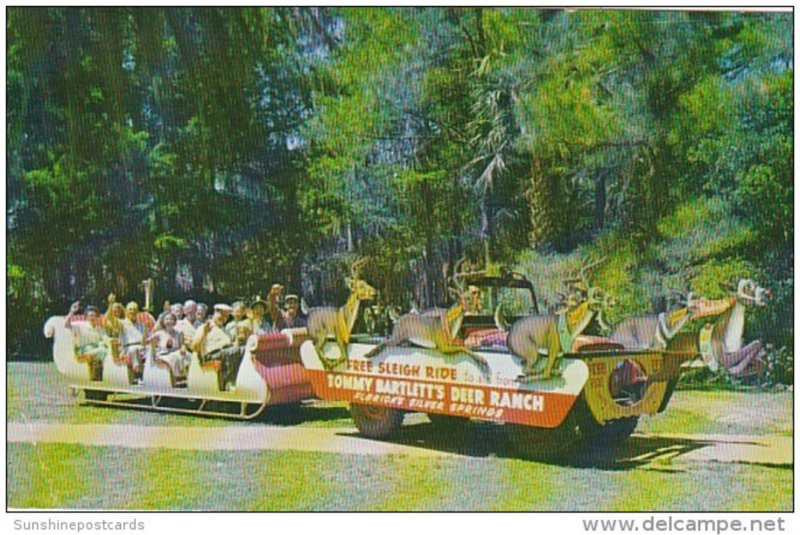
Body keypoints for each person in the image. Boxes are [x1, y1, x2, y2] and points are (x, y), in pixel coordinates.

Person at [191, 304, 244, 390]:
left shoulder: (224, 330)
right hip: (211, 356)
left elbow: (233, 347)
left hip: (225, 354)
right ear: (215, 313)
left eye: (226, 316)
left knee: (244, 350)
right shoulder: (206, 326)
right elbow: (194, 346)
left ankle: (236, 381)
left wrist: (239, 338)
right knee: (239, 351)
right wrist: (204, 333)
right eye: (221, 315)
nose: (223, 318)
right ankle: (229, 382)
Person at [65, 301, 109, 380]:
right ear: (87, 317)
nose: (93, 318)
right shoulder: (80, 325)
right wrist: (72, 312)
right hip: (84, 351)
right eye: (91, 315)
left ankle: (99, 376)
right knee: (103, 351)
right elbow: (66, 324)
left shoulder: (100, 329)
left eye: (95, 316)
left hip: (97, 351)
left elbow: (107, 340)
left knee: (107, 351)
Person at [147, 312, 190, 381]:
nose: (169, 321)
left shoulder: (179, 333)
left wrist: (183, 348)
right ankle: (178, 376)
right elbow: (147, 341)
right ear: (163, 321)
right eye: (167, 319)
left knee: (187, 355)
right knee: (175, 357)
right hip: (164, 355)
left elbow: (182, 345)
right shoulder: (159, 333)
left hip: (177, 354)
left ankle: (188, 375)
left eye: (171, 319)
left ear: (174, 321)